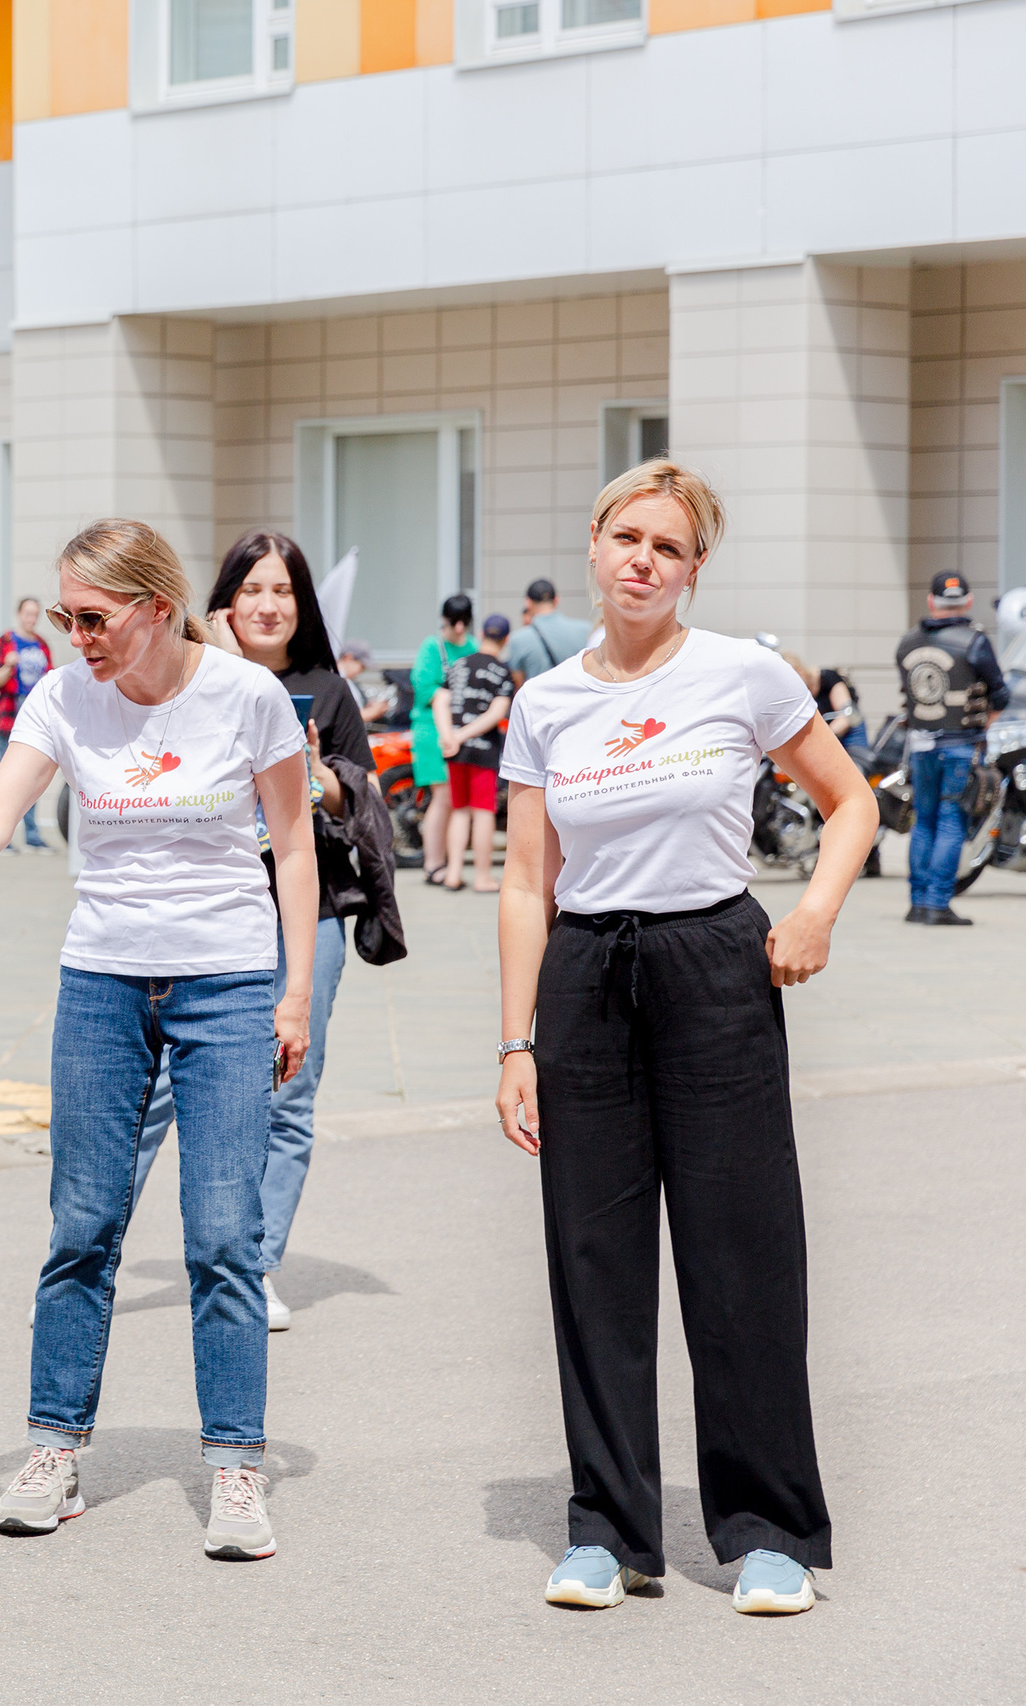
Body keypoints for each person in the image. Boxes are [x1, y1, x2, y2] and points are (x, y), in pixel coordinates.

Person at [494, 460, 874, 1619]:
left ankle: (766, 1529)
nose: (642, 560)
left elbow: (850, 799)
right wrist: (515, 1041)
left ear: (692, 568)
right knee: (593, 1261)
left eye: (667, 546)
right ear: (597, 543)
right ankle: (608, 1529)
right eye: (625, 537)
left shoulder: (742, 675)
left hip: (713, 964)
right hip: (585, 980)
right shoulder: (546, 700)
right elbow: (522, 879)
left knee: (740, 1254)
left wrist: (811, 910)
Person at [0, 519, 315, 1559]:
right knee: (82, 1222)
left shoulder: (246, 695)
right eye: (64, 616)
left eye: (90, 618)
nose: (75, 635)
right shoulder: (64, 694)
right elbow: (8, 805)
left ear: (153, 607)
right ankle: (54, 1448)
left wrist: (294, 991)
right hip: (99, 979)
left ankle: (234, 1465)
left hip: (225, 979)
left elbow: (292, 842)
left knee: (224, 1231)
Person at [194, 529, 374, 1332]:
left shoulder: (326, 692)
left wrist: (321, 773)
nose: (268, 605)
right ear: (227, 600)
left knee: (289, 1095)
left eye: (284, 591)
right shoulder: (193, 681)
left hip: (315, 911)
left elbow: (363, 805)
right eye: (253, 589)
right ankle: (93, 1257)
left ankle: (256, 1265)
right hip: (210, 909)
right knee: (159, 1095)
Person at [894, 570, 1010, 926]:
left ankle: (917, 902)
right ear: (969, 601)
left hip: (920, 744)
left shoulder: (909, 641)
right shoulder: (973, 640)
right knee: (950, 821)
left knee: (923, 821)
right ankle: (937, 903)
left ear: (931, 601)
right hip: (959, 746)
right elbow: (1000, 694)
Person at [438, 613, 514, 893]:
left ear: (481, 633)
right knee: (483, 812)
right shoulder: (502, 671)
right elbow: (496, 714)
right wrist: (463, 735)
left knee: (459, 810)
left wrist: (450, 736)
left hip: (455, 751)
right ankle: (483, 877)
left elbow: (441, 701)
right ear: (506, 639)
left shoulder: (459, 665)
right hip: (483, 750)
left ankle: (453, 873)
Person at [410, 595, 477, 885]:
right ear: (445, 621)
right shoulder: (431, 647)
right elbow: (424, 686)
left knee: (457, 799)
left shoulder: (473, 647)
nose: (460, 629)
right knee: (443, 796)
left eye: (464, 624)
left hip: (464, 731)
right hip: (431, 731)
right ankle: (433, 862)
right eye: (455, 624)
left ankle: (448, 861)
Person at [0, 598, 56, 851]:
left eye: (35, 614)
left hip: (34, 717)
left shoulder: (41, 644)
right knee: (3, 778)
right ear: (19, 614)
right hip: (9, 716)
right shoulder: (5, 642)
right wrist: (9, 664)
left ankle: (32, 835)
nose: (31, 618)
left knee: (32, 778)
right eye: (27, 613)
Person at [505, 578, 590, 684]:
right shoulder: (585, 630)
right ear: (557, 600)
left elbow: (519, 684)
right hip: (577, 699)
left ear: (527, 602)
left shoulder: (518, 639)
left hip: (537, 700)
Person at [338, 638, 394, 724]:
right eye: (362, 666)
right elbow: (345, 717)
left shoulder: (351, 682)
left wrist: (368, 706)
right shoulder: (334, 682)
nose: (362, 671)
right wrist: (374, 711)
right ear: (348, 658)